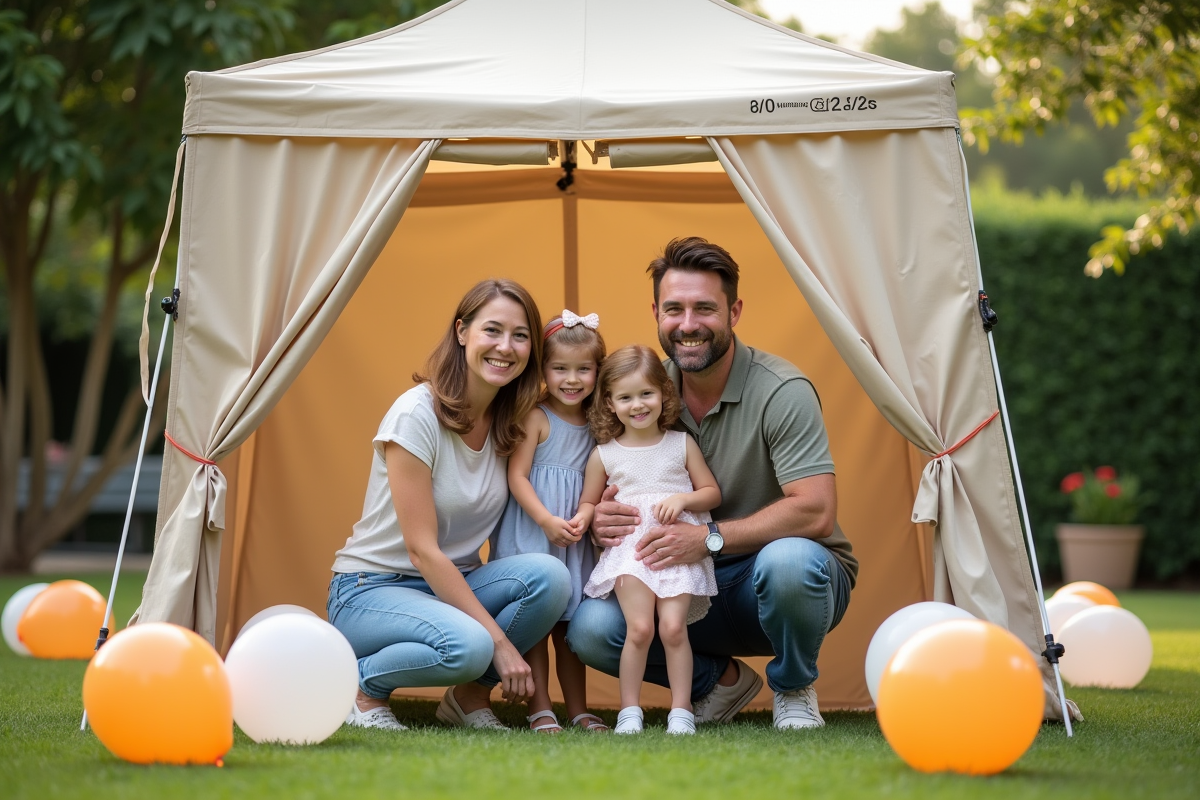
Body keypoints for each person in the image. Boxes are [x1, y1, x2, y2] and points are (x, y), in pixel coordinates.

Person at [567, 237, 858, 730]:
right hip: (671, 576)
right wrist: (601, 522)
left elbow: (815, 510)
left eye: (704, 308)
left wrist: (707, 538)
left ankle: (793, 686)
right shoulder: (641, 388)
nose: (688, 325)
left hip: (769, 584)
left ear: (734, 312)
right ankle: (718, 682)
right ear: (656, 313)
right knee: (592, 629)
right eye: (674, 309)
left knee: (791, 563)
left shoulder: (781, 390)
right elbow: (605, 483)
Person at [327, 279, 571, 732]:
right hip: (370, 589)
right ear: (462, 332)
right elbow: (422, 550)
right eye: (492, 330)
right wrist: (500, 643)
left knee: (552, 578)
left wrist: (609, 500)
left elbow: (566, 470)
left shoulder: (512, 423)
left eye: (520, 336)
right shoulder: (416, 414)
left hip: (454, 583)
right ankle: (361, 687)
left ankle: (467, 698)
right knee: (472, 646)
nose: (506, 347)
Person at [575, 345, 721, 736]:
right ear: (610, 403)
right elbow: (590, 501)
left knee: (673, 629)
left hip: (676, 549)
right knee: (639, 629)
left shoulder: (680, 444)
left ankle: (681, 710)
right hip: (631, 552)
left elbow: (711, 493)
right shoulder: (604, 455)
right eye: (625, 397)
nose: (637, 405)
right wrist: (585, 517)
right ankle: (629, 711)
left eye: (646, 394)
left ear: (663, 393)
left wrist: (684, 499)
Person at [489, 310, 609, 733]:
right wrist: (544, 519)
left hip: (573, 536)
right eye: (560, 369)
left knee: (570, 627)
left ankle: (578, 709)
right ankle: (539, 707)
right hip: (532, 531)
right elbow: (517, 476)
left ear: (598, 371)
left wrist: (585, 515)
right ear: (542, 370)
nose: (571, 380)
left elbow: (597, 483)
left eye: (583, 369)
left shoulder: (598, 423)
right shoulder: (536, 416)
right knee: (538, 625)